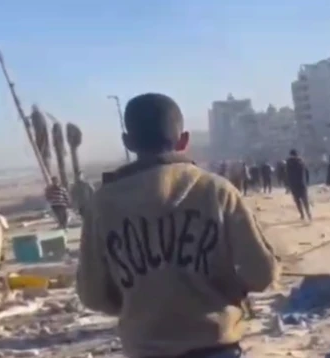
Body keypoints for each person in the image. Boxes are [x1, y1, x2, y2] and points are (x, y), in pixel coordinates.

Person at [76, 93, 280, 358]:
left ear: (128, 142)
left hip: (145, 348)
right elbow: (261, 273)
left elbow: (92, 295)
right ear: (184, 140)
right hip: (216, 346)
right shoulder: (216, 191)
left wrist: (138, 301)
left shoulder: (102, 205)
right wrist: (226, 290)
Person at [286, 149, 312, 221]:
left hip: (294, 185)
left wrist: (288, 185)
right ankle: (308, 214)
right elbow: (307, 173)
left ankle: (302, 215)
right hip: (302, 184)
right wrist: (307, 182)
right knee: (305, 200)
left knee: (297, 201)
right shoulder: (301, 162)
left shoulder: (289, 163)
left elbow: (288, 175)